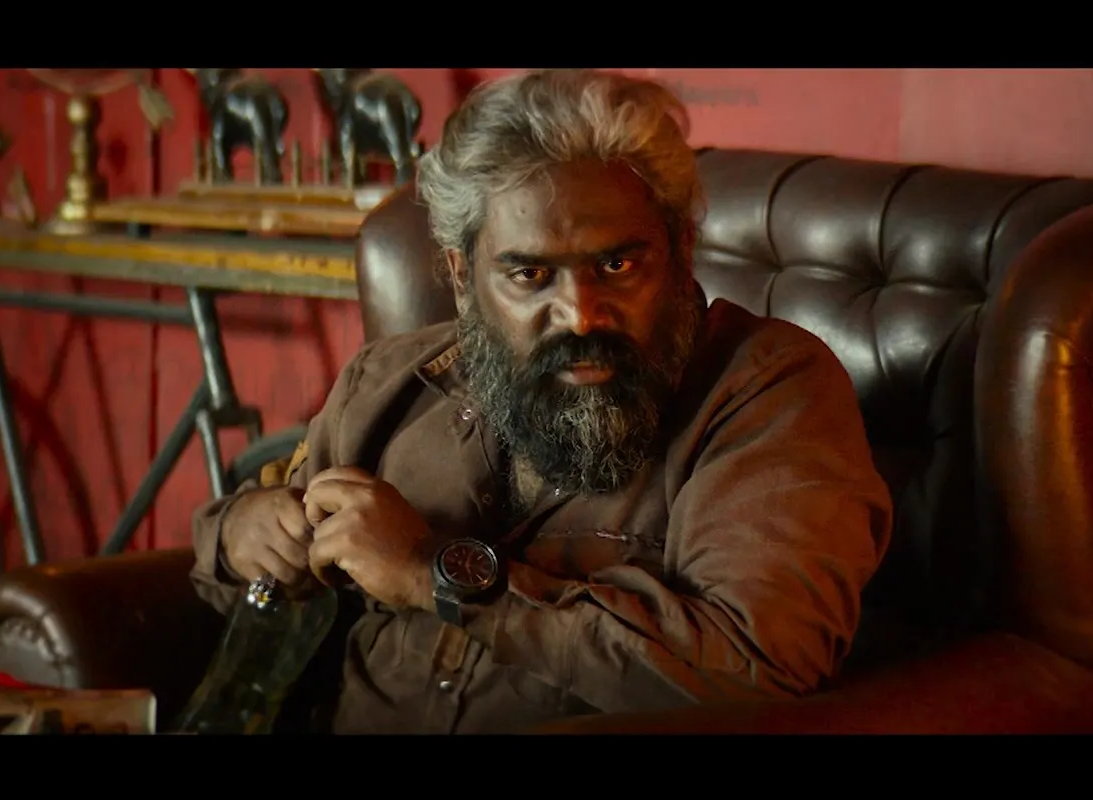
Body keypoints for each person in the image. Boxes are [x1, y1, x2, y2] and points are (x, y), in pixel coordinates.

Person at [187, 68, 894, 734]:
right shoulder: (387, 381)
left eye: (617, 264)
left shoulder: (768, 391)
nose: (581, 315)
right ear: (462, 277)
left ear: (681, 249)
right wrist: (244, 534)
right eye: (529, 275)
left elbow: (757, 673)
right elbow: (239, 571)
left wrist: (438, 575)